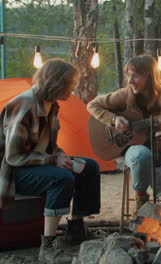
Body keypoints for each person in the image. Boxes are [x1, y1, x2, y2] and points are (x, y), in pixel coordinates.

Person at [0, 59, 101, 263]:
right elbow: (14, 156)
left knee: (89, 167)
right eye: (71, 83)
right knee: (61, 178)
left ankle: (75, 229)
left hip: (36, 163)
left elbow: (48, 145)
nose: (73, 88)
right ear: (56, 82)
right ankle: (47, 246)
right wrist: (52, 160)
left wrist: (60, 155)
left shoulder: (51, 105)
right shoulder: (25, 105)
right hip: (12, 171)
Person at [87, 54, 161, 209]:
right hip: (134, 149)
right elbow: (93, 105)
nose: (130, 81)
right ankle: (142, 203)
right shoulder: (125, 95)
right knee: (142, 155)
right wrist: (114, 120)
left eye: (135, 76)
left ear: (149, 76)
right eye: (129, 76)